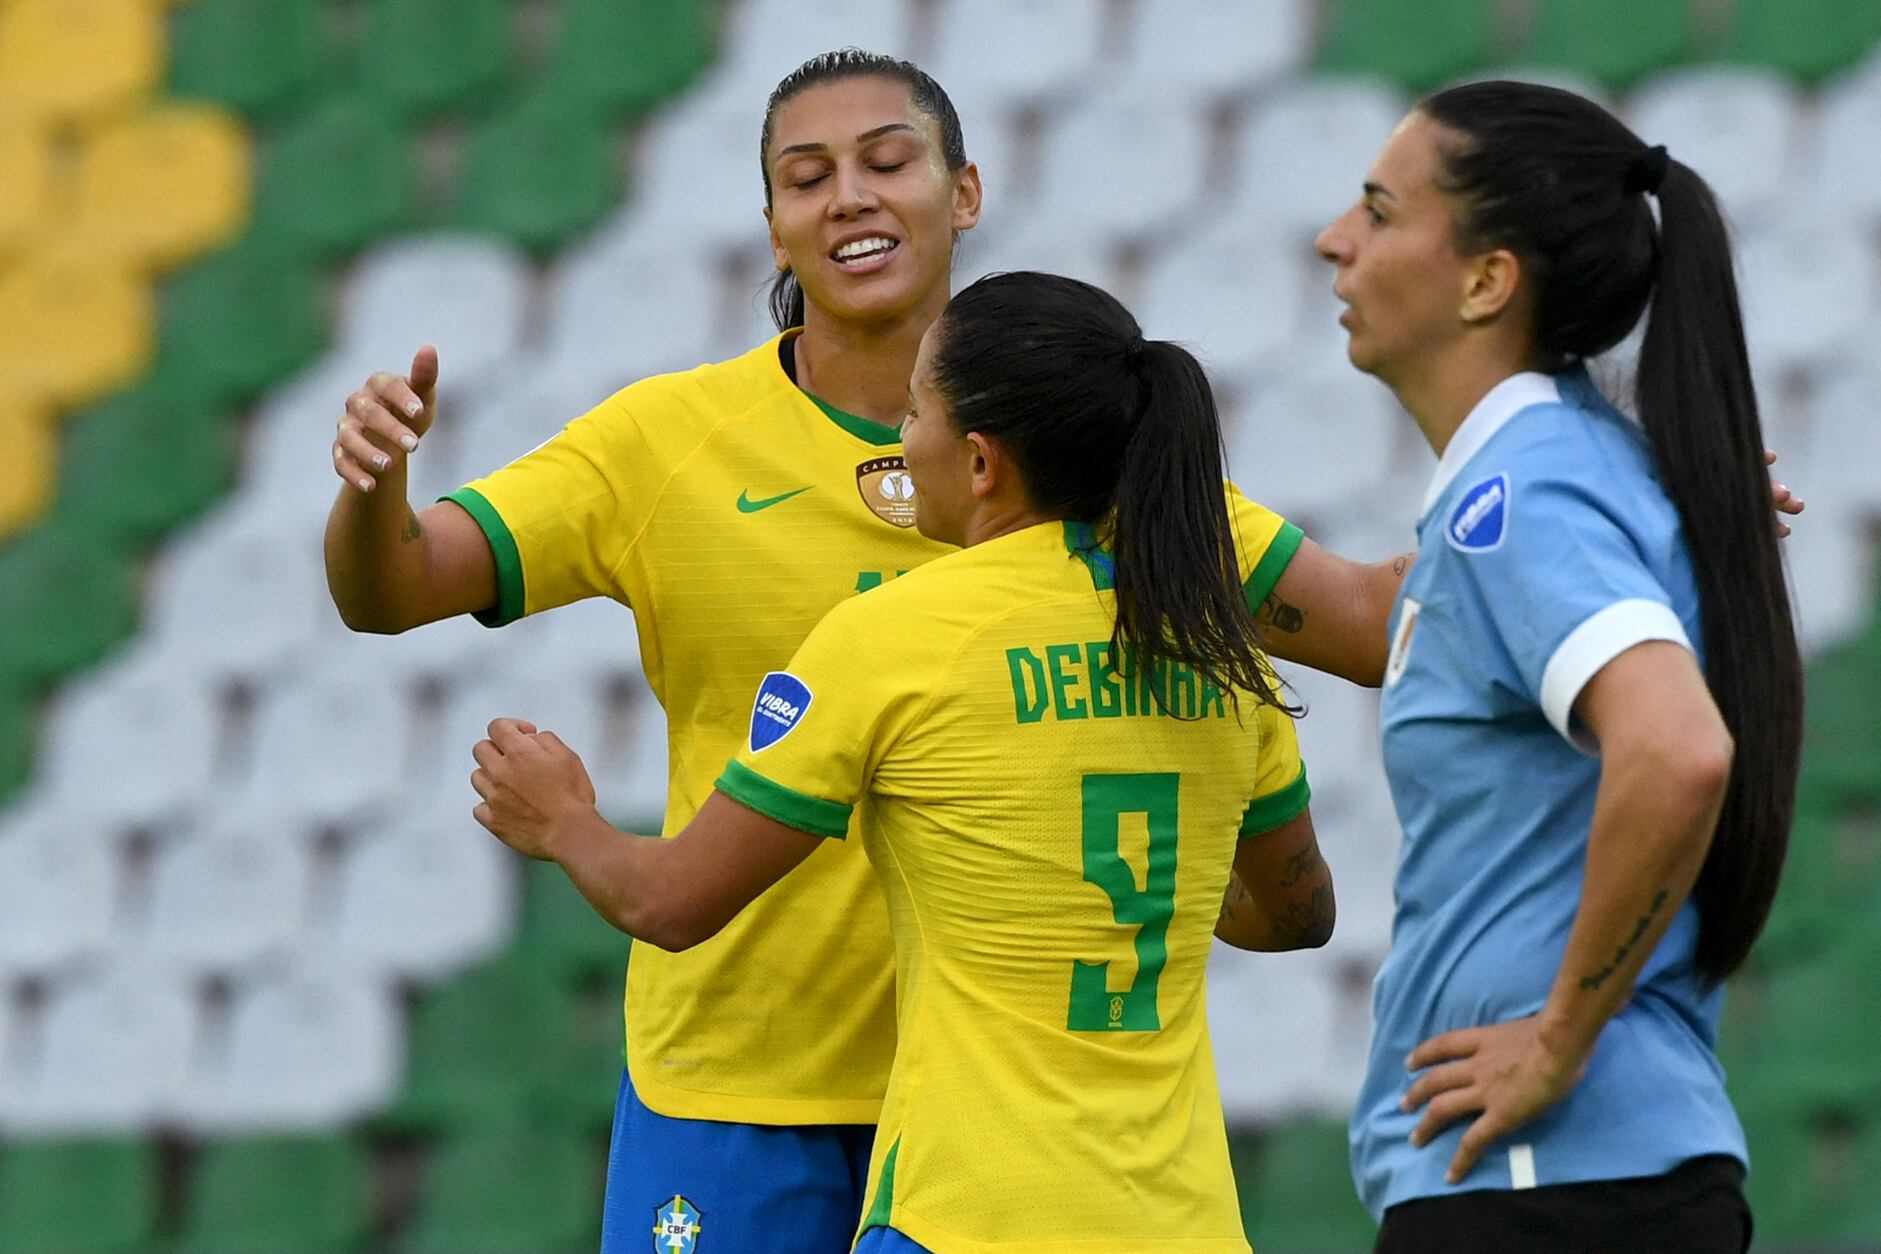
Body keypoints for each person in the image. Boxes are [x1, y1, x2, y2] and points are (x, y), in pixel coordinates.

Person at [324, 49, 1420, 1254]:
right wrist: (373, 486)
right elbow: (396, 590)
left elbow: (1369, 630)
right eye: (807, 178)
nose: (848, 195)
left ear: (964, 194)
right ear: (773, 228)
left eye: (888, 161)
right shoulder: (665, 443)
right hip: (744, 1083)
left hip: (980, 1126)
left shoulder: (1103, 469)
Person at [469, 270, 1337, 1254]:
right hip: (1183, 1224)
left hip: (964, 1216)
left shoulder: (893, 639)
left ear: (979, 465)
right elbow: (1301, 915)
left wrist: (563, 821)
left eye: (916, 412)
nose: (899, 443)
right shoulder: (1222, 652)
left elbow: (671, 904)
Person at [1316, 80, 1804, 1252]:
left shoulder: (1521, 494)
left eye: (1380, 212)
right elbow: (1368, 608)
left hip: (1542, 1186)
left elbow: (1680, 750)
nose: (1335, 237)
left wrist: (1557, 1041)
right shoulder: (1567, 468)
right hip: (1581, 1180)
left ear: (1487, 282)